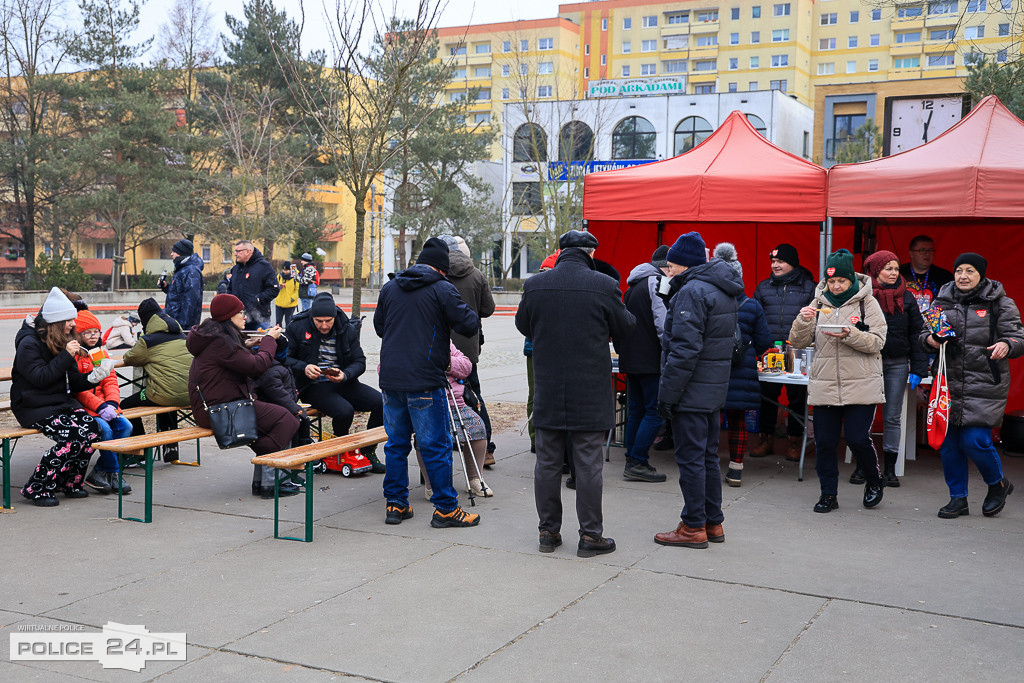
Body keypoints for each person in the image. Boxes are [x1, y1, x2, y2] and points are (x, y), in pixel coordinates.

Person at [515, 229, 635, 557]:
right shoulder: (604, 285)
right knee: (588, 465)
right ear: (591, 253)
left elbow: (523, 325)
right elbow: (625, 326)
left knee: (548, 463)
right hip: (590, 390)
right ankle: (591, 536)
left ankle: (548, 532)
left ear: (560, 251)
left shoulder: (535, 285)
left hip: (550, 387)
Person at [374, 237, 480, 528]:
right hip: (425, 379)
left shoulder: (391, 287)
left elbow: (380, 327)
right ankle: (446, 509)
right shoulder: (443, 288)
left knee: (396, 445)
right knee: (435, 445)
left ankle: (396, 504)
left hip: (391, 379)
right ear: (442, 269)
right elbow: (468, 324)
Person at [654, 232, 741, 549]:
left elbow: (683, 351)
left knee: (691, 459)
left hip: (691, 391)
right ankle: (712, 521)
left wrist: (667, 395)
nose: (669, 272)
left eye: (672, 266)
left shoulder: (692, 292)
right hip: (712, 389)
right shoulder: (722, 289)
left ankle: (693, 526)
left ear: (683, 265)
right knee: (706, 458)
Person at [923, 253, 1022, 519]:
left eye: (969, 271)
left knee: (975, 441)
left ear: (981, 275)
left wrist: (1007, 344)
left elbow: (1018, 335)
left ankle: (998, 484)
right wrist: (931, 340)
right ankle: (958, 499)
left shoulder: (999, 302)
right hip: (948, 383)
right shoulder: (941, 300)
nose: (963, 276)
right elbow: (924, 333)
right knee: (948, 444)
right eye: (959, 271)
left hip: (985, 382)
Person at [790, 249, 888, 514]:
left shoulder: (868, 303)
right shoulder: (818, 301)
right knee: (824, 442)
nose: (835, 286)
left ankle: (874, 480)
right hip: (825, 383)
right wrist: (802, 320)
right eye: (831, 281)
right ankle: (828, 494)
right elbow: (798, 343)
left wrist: (850, 334)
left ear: (851, 281)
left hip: (862, 383)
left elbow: (878, 342)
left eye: (840, 281)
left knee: (857, 438)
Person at [187, 294, 300, 497]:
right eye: (240, 312)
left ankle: (265, 481)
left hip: (218, 406)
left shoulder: (214, 336)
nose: (244, 316)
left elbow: (232, 359)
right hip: (221, 410)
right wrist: (268, 341)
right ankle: (270, 477)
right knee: (287, 420)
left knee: (278, 420)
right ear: (229, 316)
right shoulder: (222, 342)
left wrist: (246, 346)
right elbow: (258, 366)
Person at [12, 287, 109, 507]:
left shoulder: (61, 341)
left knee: (93, 428)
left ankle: (70, 482)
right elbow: (41, 378)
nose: (73, 325)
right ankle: (37, 487)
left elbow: (73, 381)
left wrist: (94, 377)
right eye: (69, 321)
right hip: (33, 406)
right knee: (73, 437)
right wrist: (66, 355)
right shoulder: (29, 344)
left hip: (59, 403)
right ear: (55, 322)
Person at [285, 292, 385, 473]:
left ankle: (367, 451)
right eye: (319, 321)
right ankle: (339, 452)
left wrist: (345, 374)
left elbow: (360, 361)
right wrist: (304, 367)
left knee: (380, 403)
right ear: (311, 317)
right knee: (344, 411)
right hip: (313, 385)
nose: (324, 325)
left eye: (328, 321)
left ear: (334, 317)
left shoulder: (346, 328)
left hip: (342, 381)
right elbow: (284, 359)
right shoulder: (297, 327)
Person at [862, 250, 928, 488]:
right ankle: (864, 466)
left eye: (896, 268)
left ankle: (889, 468)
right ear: (875, 270)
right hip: (868, 362)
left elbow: (917, 333)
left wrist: (919, 368)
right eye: (888, 268)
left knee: (892, 417)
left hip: (898, 362)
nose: (893, 273)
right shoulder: (863, 296)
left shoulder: (907, 297)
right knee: (864, 415)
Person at [714, 243, 773, 487]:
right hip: (742, 371)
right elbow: (765, 343)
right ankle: (736, 469)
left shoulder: (709, 302)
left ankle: (707, 465)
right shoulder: (752, 305)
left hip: (713, 370)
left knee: (710, 419)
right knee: (738, 420)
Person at [752, 243, 817, 461]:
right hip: (769, 350)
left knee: (796, 397)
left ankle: (795, 441)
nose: (775, 265)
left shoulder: (809, 288)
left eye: (781, 261)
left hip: (797, 350)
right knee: (767, 396)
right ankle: (765, 439)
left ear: (793, 263)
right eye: (773, 261)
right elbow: (755, 319)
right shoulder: (763, 288)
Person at [440, 235, 498, 466]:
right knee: (472, 396)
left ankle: (447, 444)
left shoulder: (436, 275)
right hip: (467, 345)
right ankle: (487, 449)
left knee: (440, 398)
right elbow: (489, 308)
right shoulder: (476, 274)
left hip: (439, 345)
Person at [618, 245, 672, 483]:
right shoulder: (658, 283)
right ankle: (637, 461)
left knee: (636, 411)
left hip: (631, 360)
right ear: (664, 266)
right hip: (651, 361)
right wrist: (670, 352)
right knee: (655, 413)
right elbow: (663, 324)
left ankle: (633, 458)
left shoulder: (632, 286)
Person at [121, 298, 192, 463]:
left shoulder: (148, 341)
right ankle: (171, 451)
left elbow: (129, 358)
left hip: (164, 395)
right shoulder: (182, 336)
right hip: (189, 394)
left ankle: (139, 453)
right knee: (168, 396)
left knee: (125, 405)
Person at [71, 310, 134, 495]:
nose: (93, 336)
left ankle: (98, 471)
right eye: (87, 332)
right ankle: (115, 473)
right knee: (105, 430)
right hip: (86, 408)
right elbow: (79, 391)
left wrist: (113, 403)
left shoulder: (100, 353)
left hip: (106, 406)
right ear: (78, 335)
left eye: (96, 331)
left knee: (126, 427)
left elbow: (111, 381)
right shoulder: (76, 356)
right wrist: (100, 406)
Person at [253, 334, 314, 497]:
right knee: (280, 446)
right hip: (278, 416)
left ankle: (261, 483)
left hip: (272, 414)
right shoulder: (272, 370)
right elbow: (279, 395)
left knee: (266, 448)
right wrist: (297, 410)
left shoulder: (273, 366)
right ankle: (276, 483)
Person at [222, 240, 279, 330]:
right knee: (239, 344)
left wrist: (257, 299)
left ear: (248, 251)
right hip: (238, 318)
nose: (235, 254)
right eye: (235, 251)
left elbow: (274, 289)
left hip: (259, 318)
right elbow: (230, 289)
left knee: (260, 343)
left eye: (238, 251)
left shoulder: (264, 267)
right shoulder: (235, 269)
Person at [900, 235, 954, 313]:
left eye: (930, 250)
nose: (927, 254)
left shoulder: (944, 276)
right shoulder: (899, 273)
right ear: (911, 253)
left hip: (934, 320)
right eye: (922, 250)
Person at [159, 238, 205, 329]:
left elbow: (190, 301)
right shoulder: (183, 269)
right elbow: (179, 294)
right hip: (175, 323)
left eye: (174, 251)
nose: (171, 254)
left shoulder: (191, 271)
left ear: (181, 252)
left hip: (181, 326)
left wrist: (182, 327)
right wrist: (166, 287)